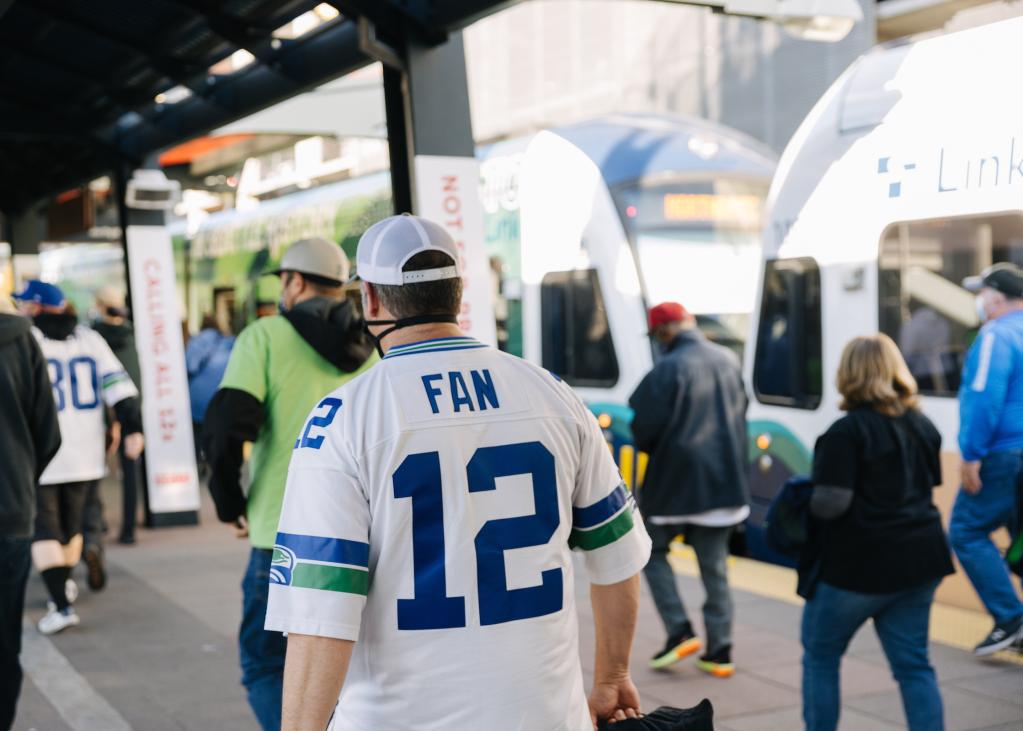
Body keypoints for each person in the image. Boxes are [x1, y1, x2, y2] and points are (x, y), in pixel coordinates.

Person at [267, 214, 652, 731]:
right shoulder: (553, 396)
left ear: (372, 300)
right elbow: (617, 556)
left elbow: (320, 617)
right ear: (457, 294)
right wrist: (612, 676)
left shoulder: (343, 420)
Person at [203, 238, 375, 731]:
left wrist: (230, 503)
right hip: (360, 536)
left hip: (280, 538)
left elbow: (225, 430)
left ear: (295, 281)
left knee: (266, 665)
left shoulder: (264, 336)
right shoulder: (374, 343)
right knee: (348, 671)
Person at [803, 334, 953, 731]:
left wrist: (803, 498)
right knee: (914, 665)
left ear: (848, 374)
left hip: (859, 568)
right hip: (921, 561)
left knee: (821, 656)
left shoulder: (845, 432)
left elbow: (831, 504)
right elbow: (927, 485)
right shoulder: (922, 425)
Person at [13, 281, 144, 635]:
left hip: (43, 453)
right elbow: (121, 389)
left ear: (37, 308)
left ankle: (61, 603)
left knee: (44, 530)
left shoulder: (27, 340)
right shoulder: (90, 339)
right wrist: (133, 429)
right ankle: (66, 582)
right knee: (72, 528)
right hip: (87, 453)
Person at [628, 301, 750, 678]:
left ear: (665, 333)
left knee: (650, 551)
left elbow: (643, 433)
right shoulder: (729, 359)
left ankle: (679, 629)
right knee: (715, 568)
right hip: (724, 486)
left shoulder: (665, 370)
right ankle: (720, 651)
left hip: (674, 488)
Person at [952, 263, 1023, 654]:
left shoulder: (996, 335)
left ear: (995, 297)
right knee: (1019, 535)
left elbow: (984, 397)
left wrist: (972, 454)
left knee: (965, 531)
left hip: (1003, 454)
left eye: (981, 293)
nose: (979, 301)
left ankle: (1011, 618)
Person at [0, 293, 61, 731]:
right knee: (4, 644)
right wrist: (20, 475)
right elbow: (48, 433)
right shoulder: (23, 341)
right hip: (11, 514)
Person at [90, 285, 144, 557]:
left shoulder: (94, 338)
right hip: (131, 408)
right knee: (130, 470)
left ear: (100, 305)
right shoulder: (132, 334)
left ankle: (95, 522)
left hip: (101, 412)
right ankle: (128, 530)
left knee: (94, 468)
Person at [186, 313, 235, 469]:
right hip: (219, 395)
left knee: (197, 432)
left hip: (197, 397)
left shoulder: (196, 342)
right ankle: (212, 462)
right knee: (215, 431)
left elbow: (190, 366)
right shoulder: (229, 342)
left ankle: (197, 464)